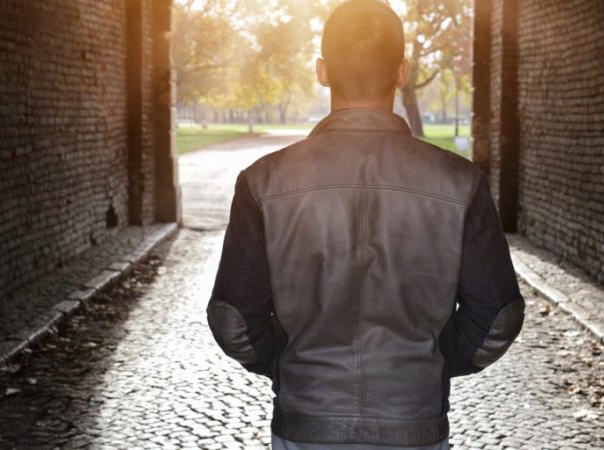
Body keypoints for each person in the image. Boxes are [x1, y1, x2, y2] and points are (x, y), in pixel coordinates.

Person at [206, 1, 524, 448]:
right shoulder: (460, 182)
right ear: (401, 72)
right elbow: (497, 316)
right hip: (414, 423)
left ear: (322, 71)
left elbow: (233, 319)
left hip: (306, 422)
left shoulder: (264, 181)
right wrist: (427, 362)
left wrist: (289, 363)